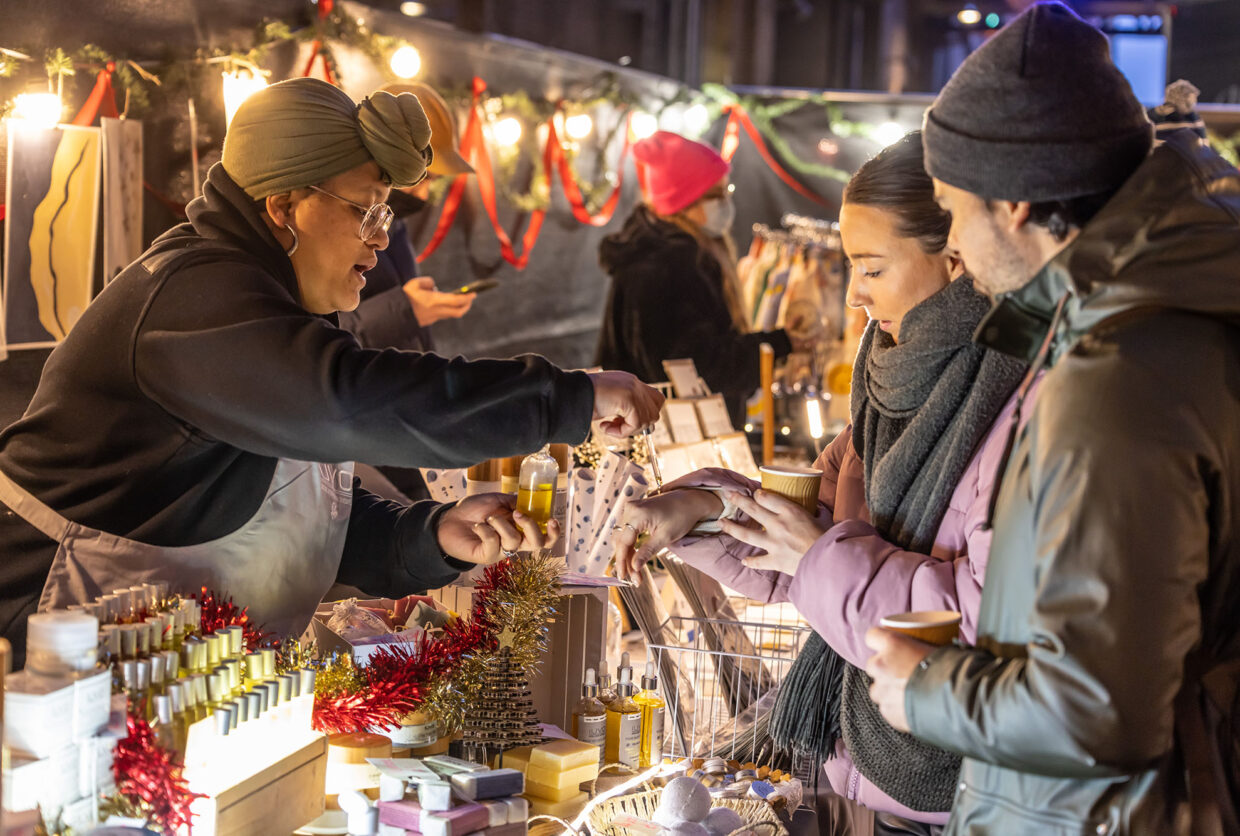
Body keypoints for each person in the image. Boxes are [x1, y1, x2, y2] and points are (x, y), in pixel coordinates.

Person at [0, 77, 663, 668]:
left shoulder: (281, 304)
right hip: (40, 646)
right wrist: (565, 398)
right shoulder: (197, 296)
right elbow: (349, 402)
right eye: (366, 210)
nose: (381, 237)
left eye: (385, 215)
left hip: (162, 663)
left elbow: (295, 524)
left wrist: (431, 536)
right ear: (283, 206)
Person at [863, 4, 1240, 834]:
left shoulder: (1118, 375)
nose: (954, 241)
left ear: (1021, 204)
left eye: (957, 205)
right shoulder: (1161, 326)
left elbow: (1099, 708)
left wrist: (921, 691)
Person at [614, 133, 1030, 834]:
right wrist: (700, 507)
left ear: (955, 257)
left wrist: (816, 558)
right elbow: (804, 548)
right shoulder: (887, 389)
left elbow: (989, 619)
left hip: (964, 784)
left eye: (870, 269)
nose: (855, 298)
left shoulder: (1023, 401)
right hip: (866, 763)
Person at [595, 130, 802, 427]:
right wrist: (777, 344)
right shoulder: (670, 264)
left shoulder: (661, 253)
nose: (725, 203)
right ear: (685, 200)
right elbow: (699, 370)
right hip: (666, 440)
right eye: (716, 195)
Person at [339, 81, 478, 503]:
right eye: (421, 178)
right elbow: (319, 333)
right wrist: (405, 309)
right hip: (365, 434)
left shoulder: (393, 226)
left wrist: (417, 308)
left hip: (407, 418)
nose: (425, 192)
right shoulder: (338, 226)